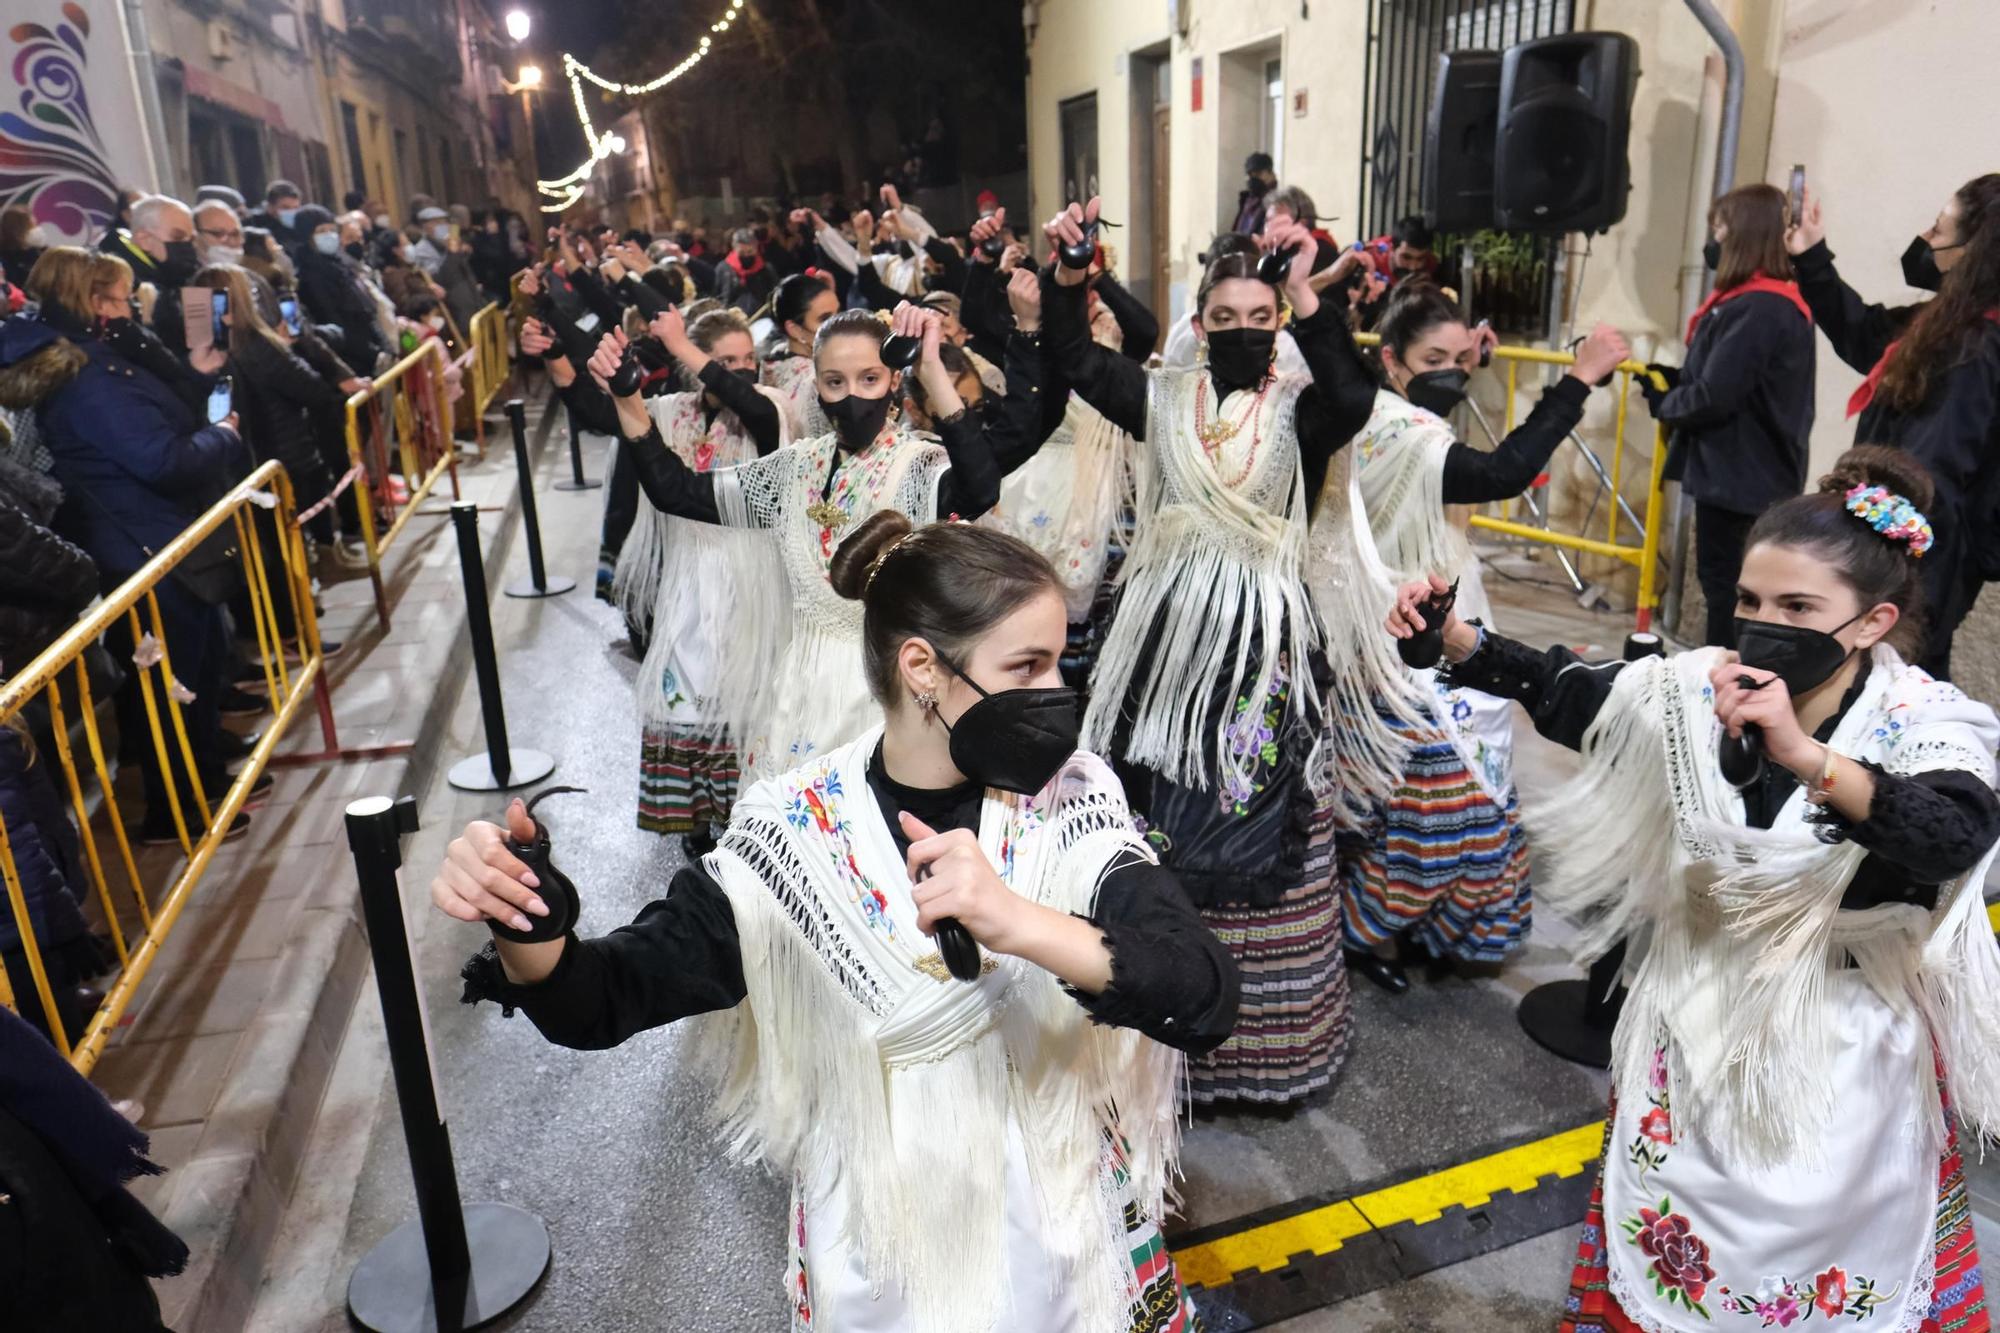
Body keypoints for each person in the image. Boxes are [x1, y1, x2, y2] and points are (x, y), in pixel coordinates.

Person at [438, 515, 1237, 1332]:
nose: (1057, 691)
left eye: (1059, 660)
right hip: (885, 1259)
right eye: (1027, 665)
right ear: (923, 667)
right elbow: (598, 999)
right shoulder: (792, 839)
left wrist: (1018, 920)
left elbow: (1203, 991)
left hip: (1058, 1229)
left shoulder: (1069, 798)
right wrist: (527, 921)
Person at [1394, 447, 2000, 1333]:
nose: (1762, 624)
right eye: (1752, 601)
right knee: (1674, 1233)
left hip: (1844, 1041)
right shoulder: (1699, 683)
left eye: (1797, 607)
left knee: (1827, 1253)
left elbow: (1951, 832)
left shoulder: (1927, 719)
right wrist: (1454, 640)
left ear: (1872, 622)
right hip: (1695, 1013)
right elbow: (1581, 696)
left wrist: (1805, 755)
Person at [1040, 196, 1417, 1108]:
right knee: (1154, 824)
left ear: (1279, 323)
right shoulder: (1162, 396)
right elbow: (1072, 359)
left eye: (1261, 318)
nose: (1243, 331)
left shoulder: (1303, 411)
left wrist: (1310, 295)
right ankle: (1159, 1036)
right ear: (1199, 327)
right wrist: (1069, 275)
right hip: (1163, 652)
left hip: (1265, 652)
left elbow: (1356, 398)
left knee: (1256, 828)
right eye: (1225, 319)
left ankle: (1264, 1051)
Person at [589, 300, 1049, 780]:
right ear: (816, 384)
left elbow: (978, 488)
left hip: (883, 692)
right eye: (835, 381)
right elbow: (676, 492)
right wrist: (629, 399)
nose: (852, 396)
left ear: (894, 381)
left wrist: (932, 369)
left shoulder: (917, 466)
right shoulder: (793, 468)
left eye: (869, 378)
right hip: (797, 690)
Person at [1323, 282, 1630, 992]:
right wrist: (1578, 381)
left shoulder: (1381, 411)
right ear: (1393, 360)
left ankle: (1432, 925)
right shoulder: (1401, 428)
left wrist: (1469, 363)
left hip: (1429, 609)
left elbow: (1438, 420)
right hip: (1397, 617)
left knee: (1441, 786)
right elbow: (1501, 471)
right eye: (1437, 358)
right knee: (1430, 792)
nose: (1455, 371)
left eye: (1465, 357)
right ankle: (1369, 928)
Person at [1, 247, 253, 843]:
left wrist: (192, 375)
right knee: (169, 688)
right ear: (90, 301)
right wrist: (221, 437)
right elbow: (157, 458)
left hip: (154, 536)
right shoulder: (86, 378)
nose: (126, 309)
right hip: (138, 543)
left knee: (194, 670)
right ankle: (177, 810)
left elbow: (155, 416)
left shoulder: (105, 357)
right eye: (115, 298)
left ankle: (203, 781)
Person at [1787, 174, 2000, 678]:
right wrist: (1812, 255)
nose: (1924, 241)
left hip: (1917, 563)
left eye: (1937, 228)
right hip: (1909, 552)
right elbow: (1864, 335)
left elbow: (1929, 476)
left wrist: (1873, 552)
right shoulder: (1948, 324)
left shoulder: (1973, 346)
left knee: (1894, 690)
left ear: (1975, 250)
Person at [610, 307, 790, 851]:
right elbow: (608, 410)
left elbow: (751, 404)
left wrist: (684, 347)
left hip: (752, 581)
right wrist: (559, 351)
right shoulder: (670, 411)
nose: (740, 371)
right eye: (726, 360)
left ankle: (744, 821)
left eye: (748, 359)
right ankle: (693, 820)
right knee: (684, 695)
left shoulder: (773, 412)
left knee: (744, 699)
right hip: (688, 584)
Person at [1646, 183, 1817, 648]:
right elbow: (1722, 375)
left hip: (1744, 480)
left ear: (1744, 235)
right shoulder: (1752, 302)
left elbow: (1716, 395)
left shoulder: (1761, 306)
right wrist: (1673, 379)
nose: (1713, 240)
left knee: (1732, 593)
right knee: (1727, 588)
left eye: (1720, 228)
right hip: (1738, 475)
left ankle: (1728, 690)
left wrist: (1668, 404)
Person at [295, 205, 391, 374]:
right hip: (352, 361)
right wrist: (372, 353)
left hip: (373, 352)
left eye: (332, 230)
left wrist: (384, 347)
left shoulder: (342, 265)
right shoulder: (309, 277)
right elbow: (332, 320)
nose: (329, 235)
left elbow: (367, 311)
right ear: (307, 236)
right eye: (322, 230)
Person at [761, 270, 838, 439]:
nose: (837, 325)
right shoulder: (814, 382)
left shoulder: (777, 358)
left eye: (837, 314)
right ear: (795, 330)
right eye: (825, 319)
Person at [244, 180, 304, 254]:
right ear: (270, 206)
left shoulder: (302, 226)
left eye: (296, 207)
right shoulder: (254, 225)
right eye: (285, 208)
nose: (292, 212)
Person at [1, 205, 47, 289]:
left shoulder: (40, 252)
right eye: (31, 227)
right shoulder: (5, 259)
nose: (37, 231)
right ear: (17, 230)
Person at [1233, 152, 1278, 236]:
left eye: (1258, 174)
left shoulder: (1277, 201)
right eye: (1250, 175)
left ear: (1271, 174)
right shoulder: (1246, 201)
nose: (1253, 179)